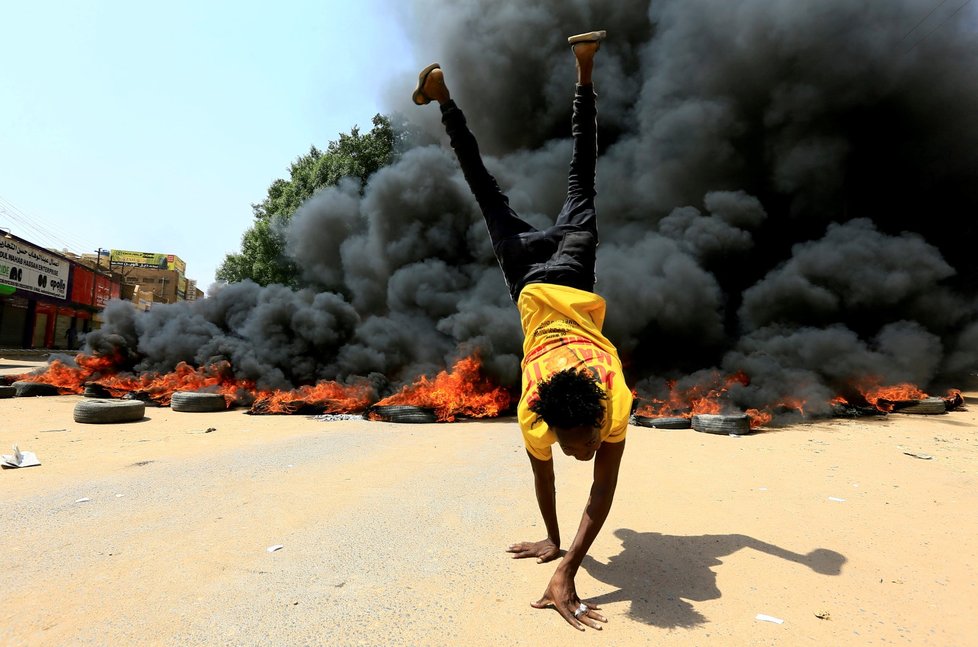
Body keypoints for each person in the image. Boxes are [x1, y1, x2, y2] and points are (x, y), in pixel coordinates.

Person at [413, 30, 632, 631]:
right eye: (576, 446)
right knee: (572, 177)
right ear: (557, 424)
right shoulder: (575, 407)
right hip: (559, 265)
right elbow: (580, 486)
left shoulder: (595, 403)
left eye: (580, 445)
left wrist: (562, 561)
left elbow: (598, 489)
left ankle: (449, 97)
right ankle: (576, 72)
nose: (581, 454)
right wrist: (557, 550)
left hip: (539, 267)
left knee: (500, 186)